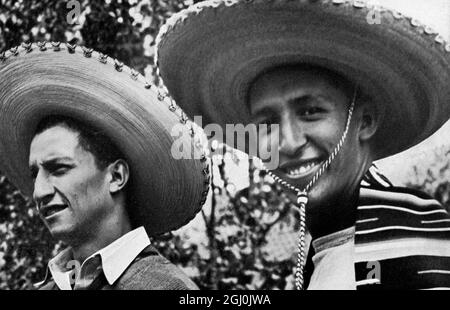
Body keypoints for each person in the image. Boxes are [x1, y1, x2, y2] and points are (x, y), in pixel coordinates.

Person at [155, 0, 450, 289]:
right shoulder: (322, 245)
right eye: (268, 123)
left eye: (310, 112)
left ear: (365, 121)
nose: (290, 142)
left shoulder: (411, 240)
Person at [0, 42, 210, 290]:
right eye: (35, 174)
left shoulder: (166, 286)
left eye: (58, 168)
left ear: (116, 176)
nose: (39, 191)